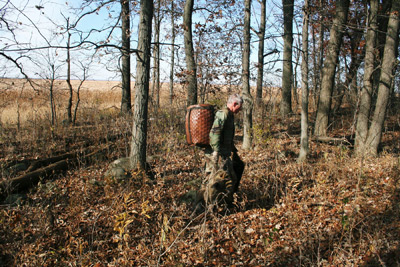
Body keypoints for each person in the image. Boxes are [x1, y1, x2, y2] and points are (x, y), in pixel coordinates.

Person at [199, 93, 245, 206]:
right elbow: (214, 133)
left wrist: (233, 150)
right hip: (216, 153)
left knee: (230, 178)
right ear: (234, 104)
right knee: (211, 180)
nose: (240, 110)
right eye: (240, 107)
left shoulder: (229, 115)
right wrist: (216, 152)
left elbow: (226, 136)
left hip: (224, 153)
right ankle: (204, 205)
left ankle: (223, 203)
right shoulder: (223, 114)